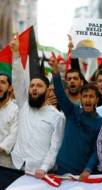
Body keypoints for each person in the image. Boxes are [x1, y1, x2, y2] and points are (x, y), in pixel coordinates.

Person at [10, 36, 65, 178]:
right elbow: (17, 79)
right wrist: (15, 53)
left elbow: (55, 146)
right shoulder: (24, 105)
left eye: (39, 86)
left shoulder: (57, 116)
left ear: (47, 91)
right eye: (32, 85)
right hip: (16, 165)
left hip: (39, 173)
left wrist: (44, 167)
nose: (34, 88)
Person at [50, 60, 102, 180]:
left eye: (91, 96)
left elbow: (97, 150)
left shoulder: (101, 122)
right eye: (85, 96)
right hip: (61, 169)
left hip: (82, 174)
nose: (88, 100)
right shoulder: (72, 112)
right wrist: (56, 74)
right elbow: (61, 95)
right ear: (81, 98)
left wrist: (88, 169)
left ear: (97, 100)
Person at [0, 72, 18, 168]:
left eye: (2, 82)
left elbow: (14, 135)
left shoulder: (16, 109)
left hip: (5, 163)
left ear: (10, 88)